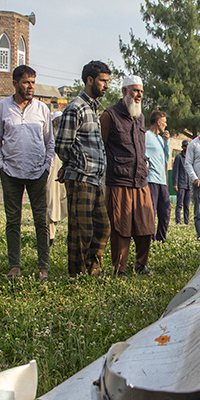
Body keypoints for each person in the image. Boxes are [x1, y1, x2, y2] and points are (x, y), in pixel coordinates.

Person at [0, 65, 54, 282]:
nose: (30, 86)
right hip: (10, 173)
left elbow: (49, 141)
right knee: (12, 222)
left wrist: (46, 166)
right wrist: (0, 166)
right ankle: (14, 267)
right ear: (15, 83)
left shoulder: (42, 109)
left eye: (33, 82)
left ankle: (43, 268)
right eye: (26, 82)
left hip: (37, 173)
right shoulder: (3, 107)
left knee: (41, 222)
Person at [55, 60, 111, 278]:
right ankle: (77, 273)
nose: (106, 85)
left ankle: (92, 265)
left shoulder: (93, 108)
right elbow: (62, 145)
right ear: (89, 80)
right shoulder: (75, 107)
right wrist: (78, 164)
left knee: (103, 227)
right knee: (81, 230)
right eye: (102, 81)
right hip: (80, 177)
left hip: (95, 179)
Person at [100, 75, 156, 276]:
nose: (139, 95)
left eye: (141, 91)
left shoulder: (140, 117)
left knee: (146, 225)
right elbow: (101, 147)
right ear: (124, 91)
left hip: (140, 179)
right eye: (135, 91)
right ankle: (120, 269)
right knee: (121, 227)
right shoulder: (109, 116)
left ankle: (141, 265)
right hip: (119, 180)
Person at [145, 110, 171, 241]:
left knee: (166, 210)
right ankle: (149, 238)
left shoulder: (161, 139)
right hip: (151, 179)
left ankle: (161, 238)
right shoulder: (146, 136)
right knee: (151, 211)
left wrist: (167, 142)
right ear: (158, 122)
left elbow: (166, 158)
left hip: (162, 180)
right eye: (164, 122)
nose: (166, 125)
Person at [46, 111, 67, 244]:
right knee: (50, 203)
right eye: (57, 121)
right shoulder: (49, 139)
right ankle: (50, 236)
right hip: (51, 175)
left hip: (65, 172)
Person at [172, 140, 191, 225]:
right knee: (179, 204)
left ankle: (186, 221)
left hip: (189, 185)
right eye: (186, 146)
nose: (187, 147)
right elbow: (175, 171)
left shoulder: (190, 158)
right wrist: (175, 183)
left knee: (187, 205)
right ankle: (178, 221)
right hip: (181, 184)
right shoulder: (179, 157)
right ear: (182, 147)